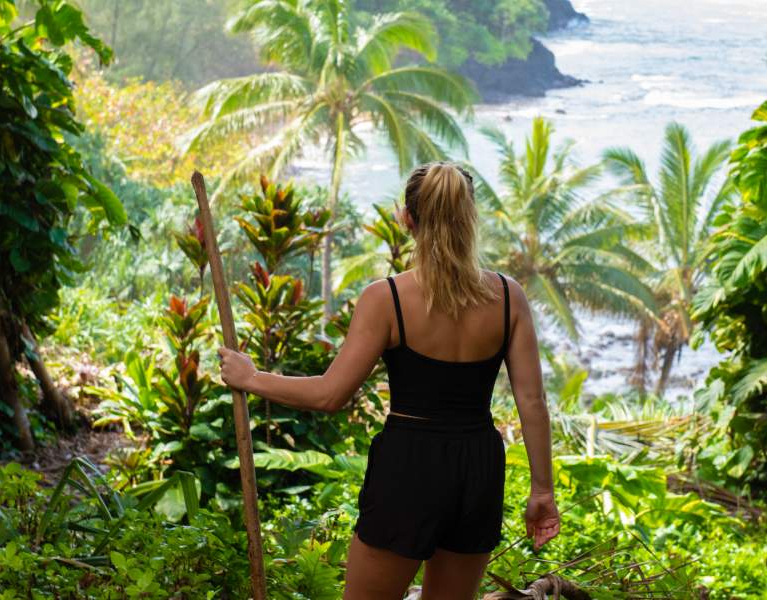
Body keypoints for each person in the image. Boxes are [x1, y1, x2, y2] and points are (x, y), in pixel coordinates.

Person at [218, 161, 559, 600]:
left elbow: (330, 394)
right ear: (470, 218)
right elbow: (533, 404)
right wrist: (542, 490)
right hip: (478, 467)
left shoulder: (388, 299)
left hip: (409, 466)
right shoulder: (509, 296)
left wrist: (252, 377)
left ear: (406, 219)